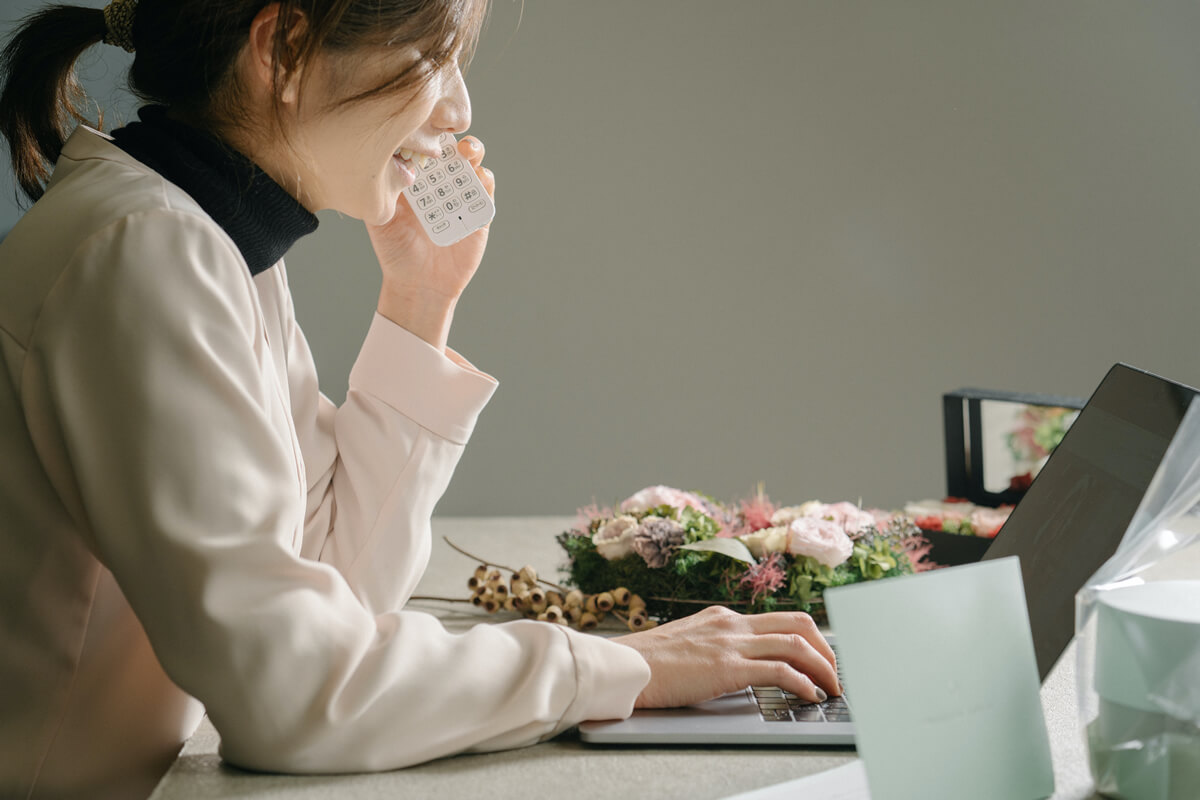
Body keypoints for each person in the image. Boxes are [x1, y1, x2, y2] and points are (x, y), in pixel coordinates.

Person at [0, 1, 841, 797]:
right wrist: (627, 669)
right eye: (434, 60)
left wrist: (419, 301)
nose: (458, 111)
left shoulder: (201, 240)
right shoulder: (146, 254)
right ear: (282, 48)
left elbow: (336, 596)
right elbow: (291, 694)